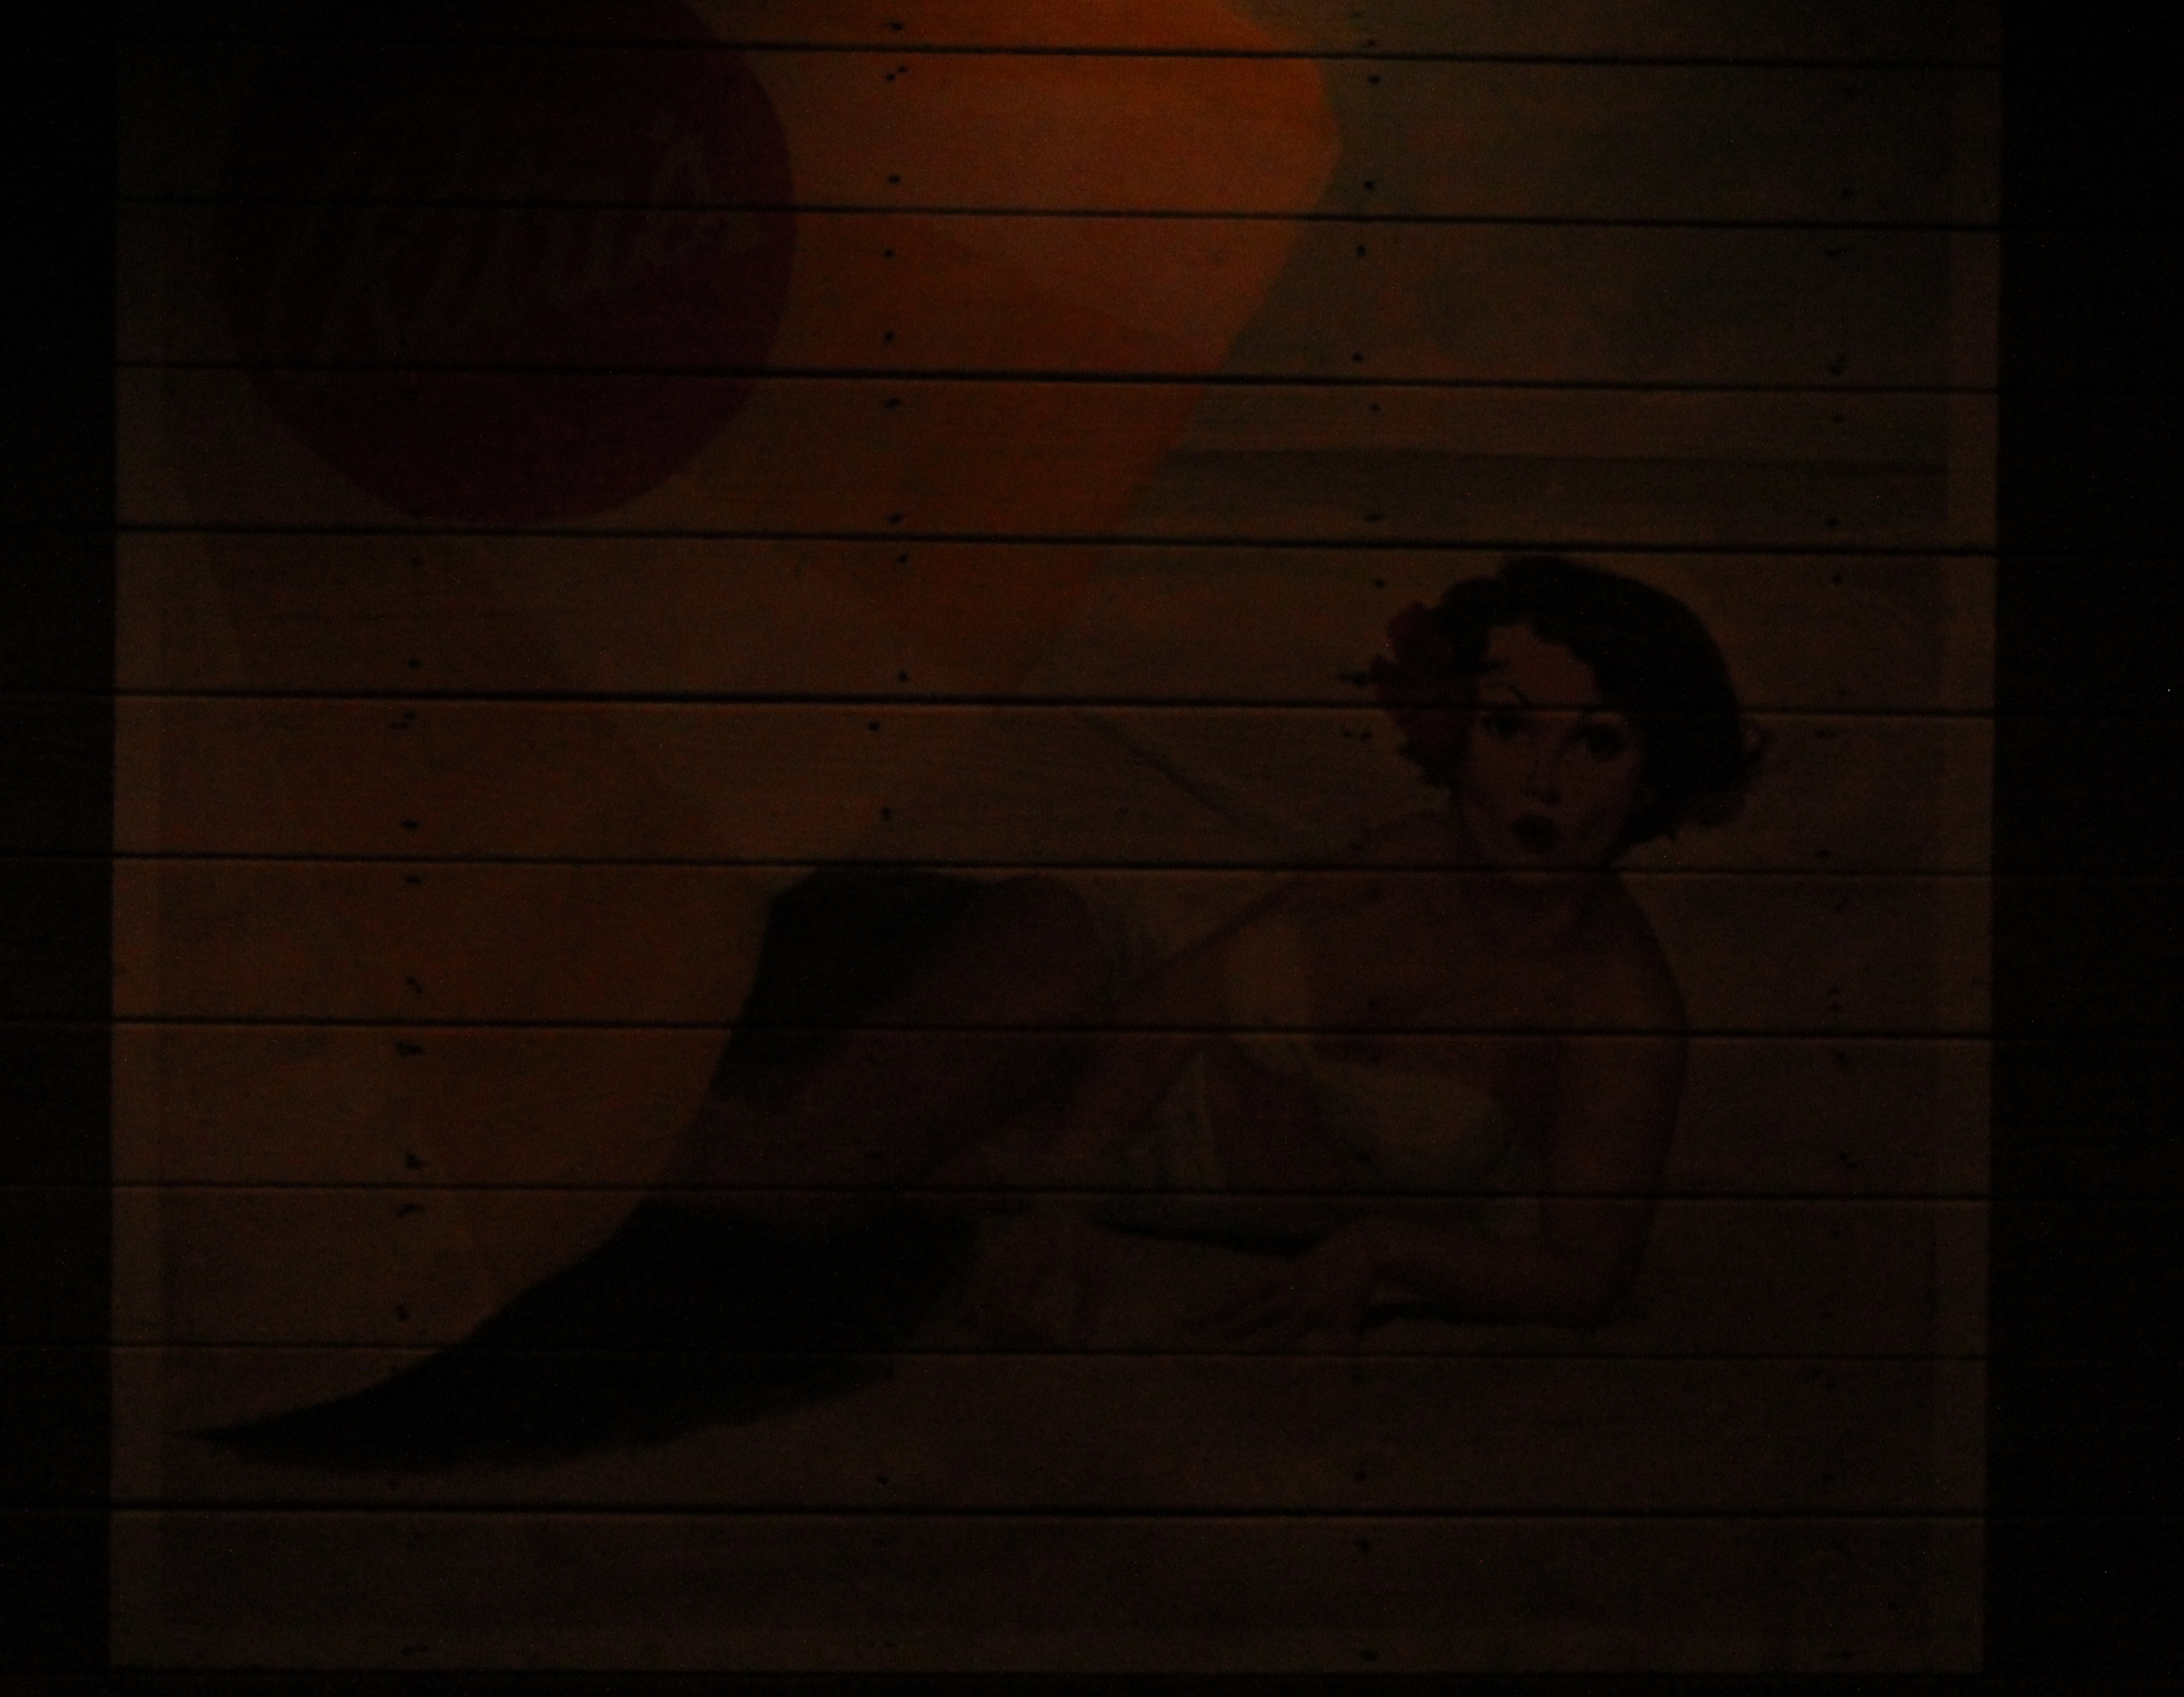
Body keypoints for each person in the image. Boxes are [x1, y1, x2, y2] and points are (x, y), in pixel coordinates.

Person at [210, 555, 1760, 1463]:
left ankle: (387, 1128)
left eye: (1598, 744)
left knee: (744, 1168)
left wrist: (1383, 1251)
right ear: (1456, 727)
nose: (1540, 781)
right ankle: (369, 1133)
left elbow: (1584, 1276)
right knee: (798, 1175)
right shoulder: (1401, 865)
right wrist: (1060, 1199)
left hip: (1122, 1153)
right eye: (1510, 726)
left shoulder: (1619, 1013)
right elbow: (1174, 1002)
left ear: (1657, 775)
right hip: (1084, 988)